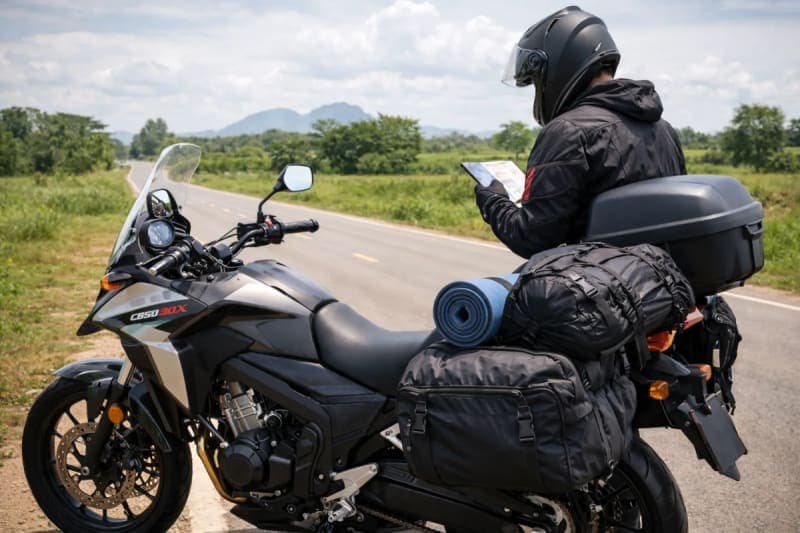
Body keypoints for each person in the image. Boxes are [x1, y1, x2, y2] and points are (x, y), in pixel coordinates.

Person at [475, 6, 686, 259]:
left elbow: (532, 238)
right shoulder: (663, 128)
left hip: (601, 285)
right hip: (663, 280)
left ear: (559, 65)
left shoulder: (567, 132)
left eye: (537, 81)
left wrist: (493, 200)